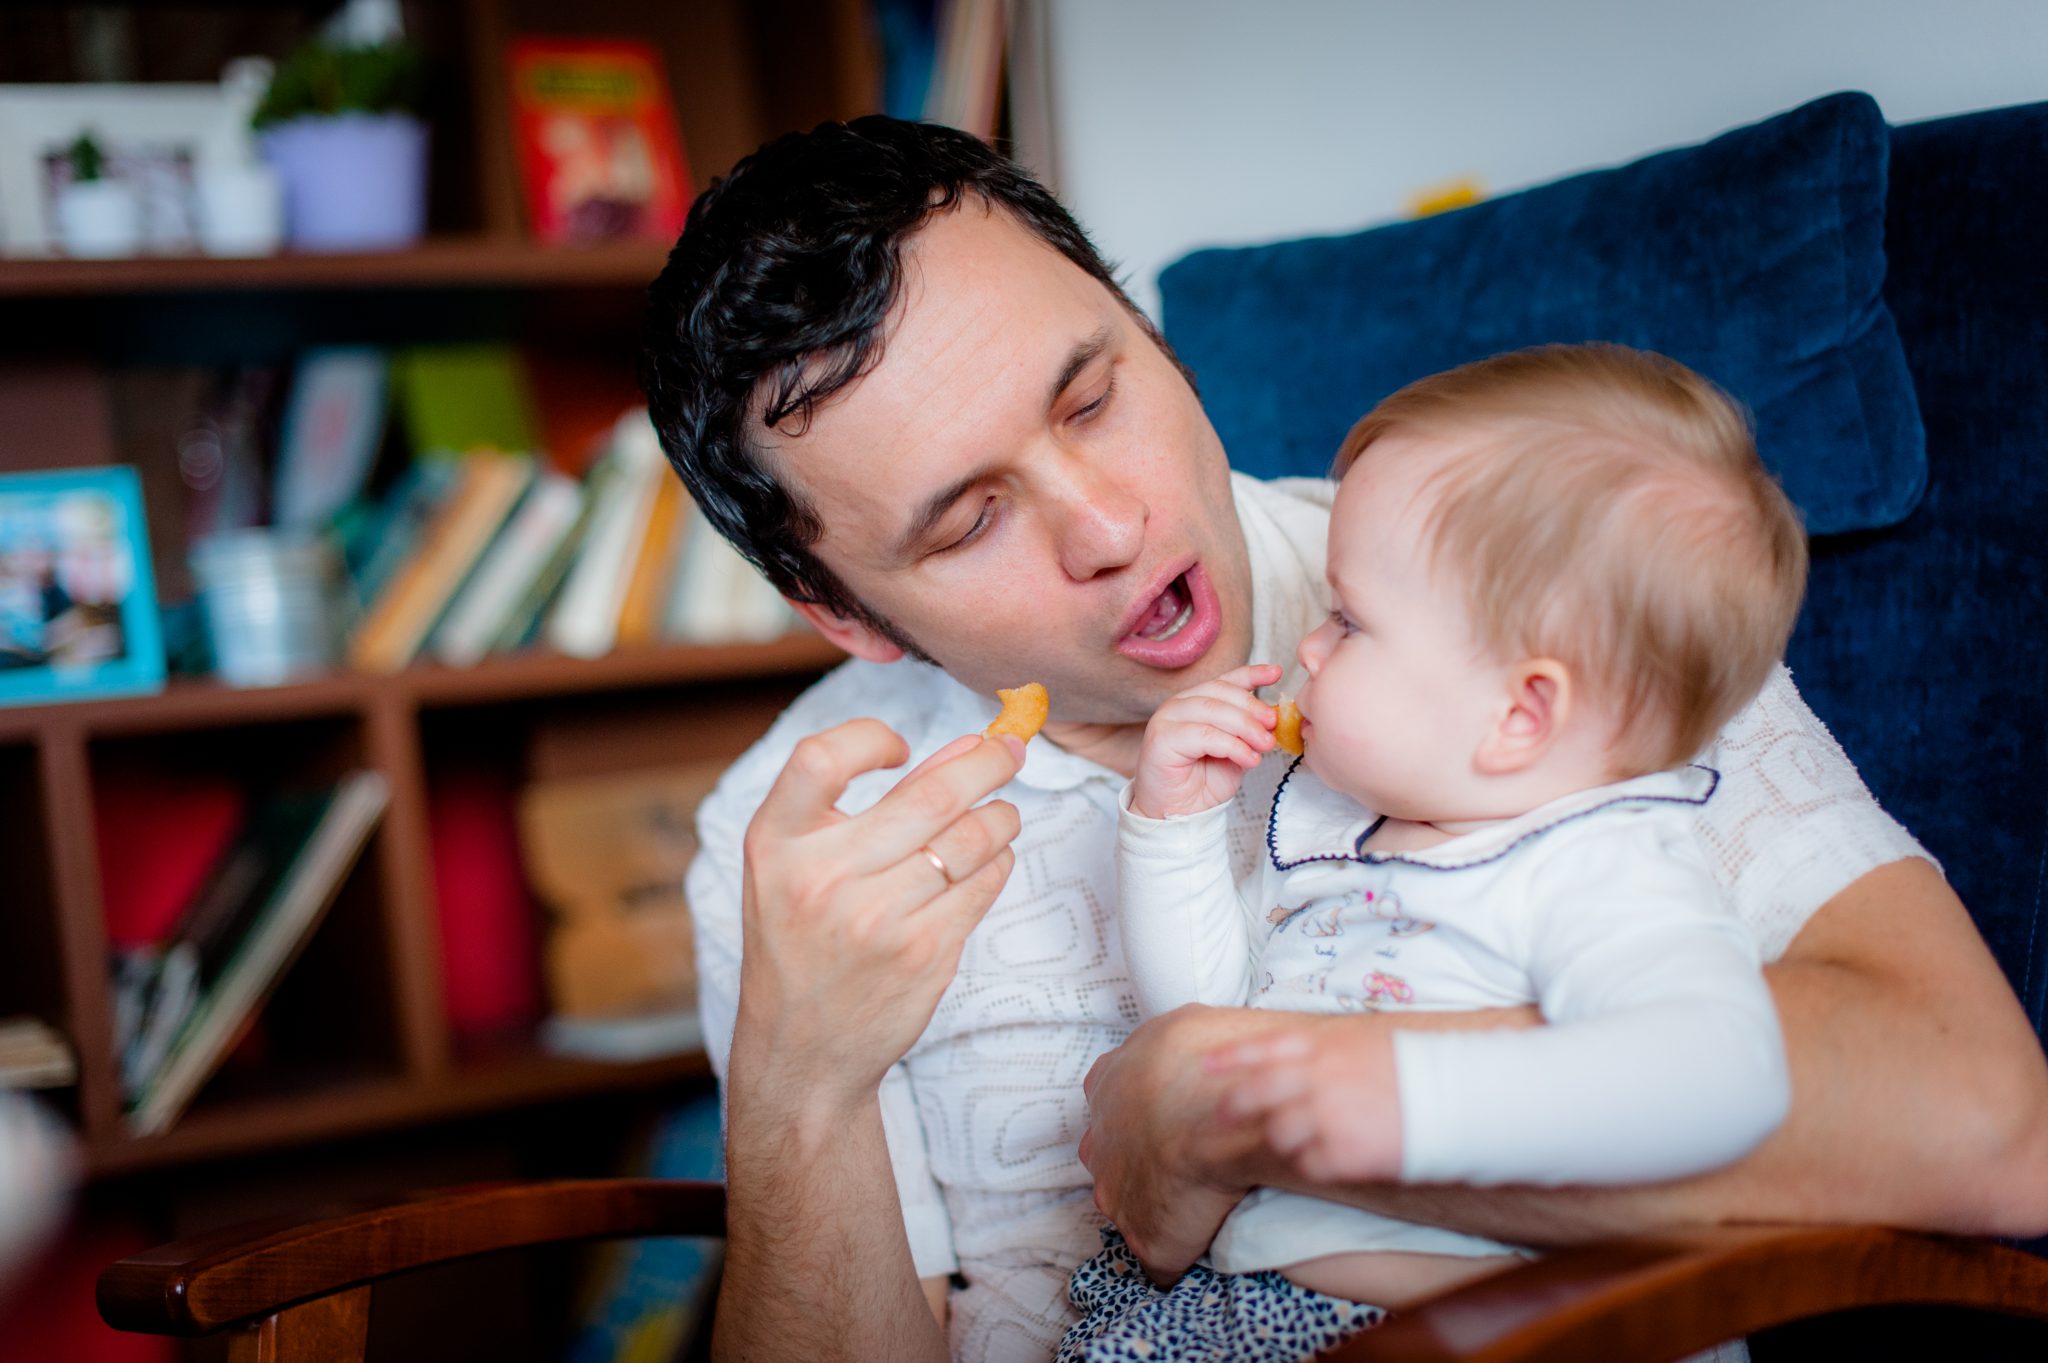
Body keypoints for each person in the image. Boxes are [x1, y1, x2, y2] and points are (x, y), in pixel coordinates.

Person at [638, 116, 2048, 1363]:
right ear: (840, 608)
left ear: (1153, 335)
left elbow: (1990, 1124)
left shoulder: (1554, 585)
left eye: (1091, 394)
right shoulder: (797, 840)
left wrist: (1223, 1102)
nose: (1110, 527)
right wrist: (797, 1089)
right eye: (969, 518)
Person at [1060, 344, 1802, 1361]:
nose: (1307, 649)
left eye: (1349, 620)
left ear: (1518, 713)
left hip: (1470, 1327)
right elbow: (1200, 1025)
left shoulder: (1601, 864)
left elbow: (1725, 1072)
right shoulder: (1331, 816)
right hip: (1241, 1302)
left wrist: (1379, 1097)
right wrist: (1173, 823)